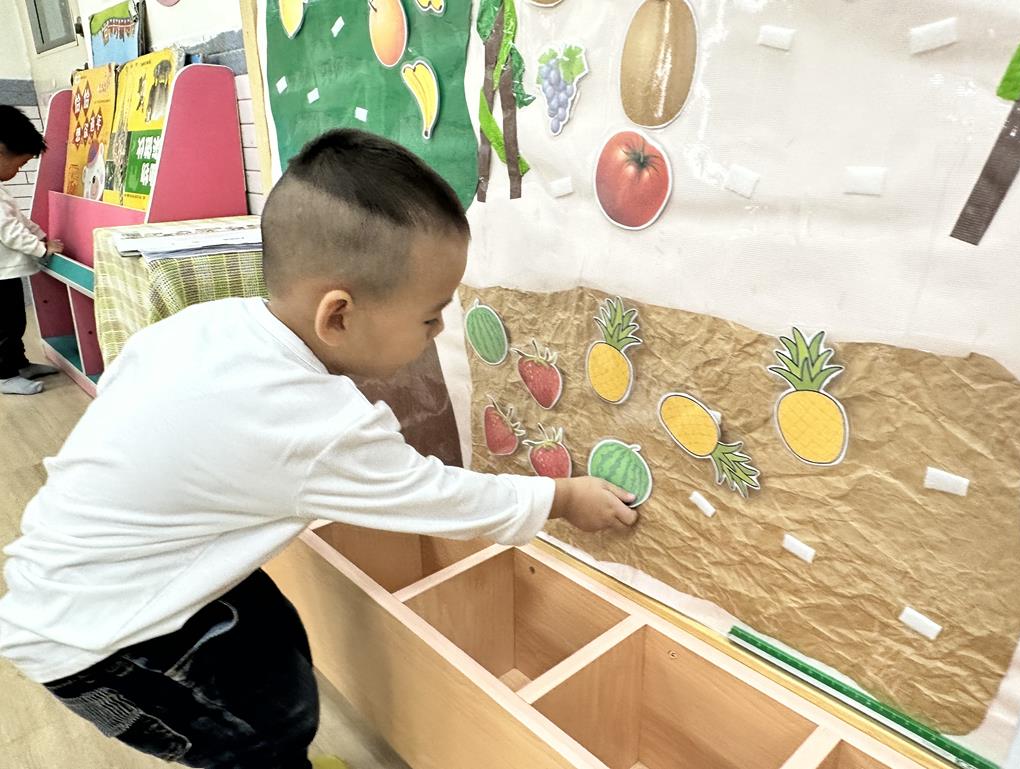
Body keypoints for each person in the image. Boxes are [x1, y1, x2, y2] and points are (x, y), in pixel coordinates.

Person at [0, 129, 638, 769]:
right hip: (101, 645)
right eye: (430, 316)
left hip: (110, 576)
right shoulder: (313, 423)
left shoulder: (210, 324)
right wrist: (561, 497)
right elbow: (442, 497)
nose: (440, 329)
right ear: (338, 315)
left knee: (274, 643)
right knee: (260, 734)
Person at [0, 104, 63, 395]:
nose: (17, 171)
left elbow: (19, 221)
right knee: (4, 326)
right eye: (19, 164)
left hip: (6, 273)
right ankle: (4, 376)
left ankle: (19, 364)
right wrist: (41, 249)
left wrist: (41, 235)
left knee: (15, 322)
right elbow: (9, 232)